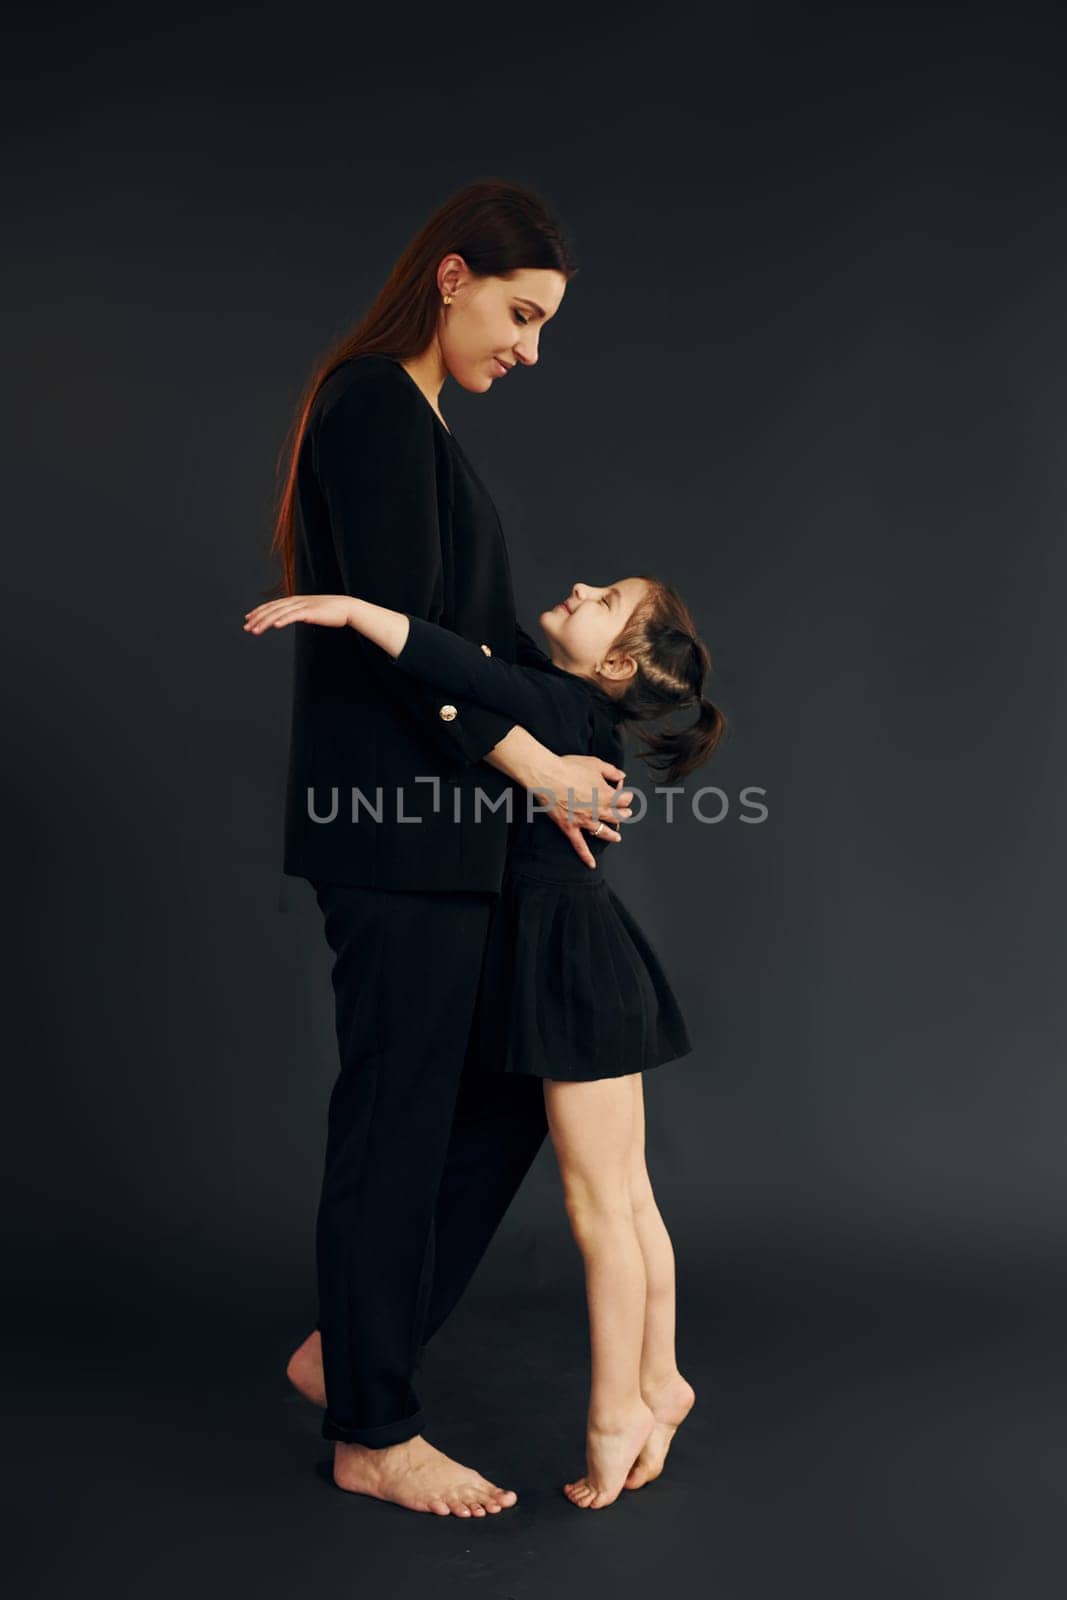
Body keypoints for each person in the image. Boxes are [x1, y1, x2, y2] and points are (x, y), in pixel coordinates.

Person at [254, 180, 637, 1518]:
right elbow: (421, 653)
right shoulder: (370, 402)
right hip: (395, 835)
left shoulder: (417, 422)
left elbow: (459, 644)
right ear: (453, 275)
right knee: (395, 1124)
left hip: (451, 834)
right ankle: (371, 1429)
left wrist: (564, 742)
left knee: (492, 1105)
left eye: (542, 327)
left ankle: (350, 1351)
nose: (526, 348)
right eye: (520, 314)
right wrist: (536, 758)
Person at [244, 570, 728, 1509]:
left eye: (604, 600)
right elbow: (483, 658)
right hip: (591, 961)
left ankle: (614, 1415)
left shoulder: (554, 702)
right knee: (628, 1197)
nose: (580, 587)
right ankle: (659, 1378)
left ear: (618, 661)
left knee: (601, 1210)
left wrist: (351, 609)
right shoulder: (572, 709)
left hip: (568, 973)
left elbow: (454, 666)